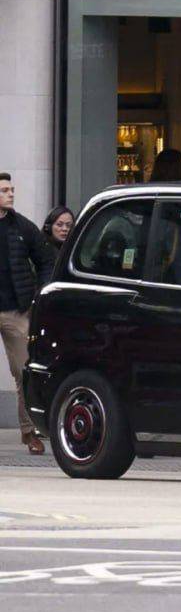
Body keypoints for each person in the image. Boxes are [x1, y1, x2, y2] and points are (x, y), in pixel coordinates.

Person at [0, 174, 57, 454]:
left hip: (16, 309)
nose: (11, 194)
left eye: (12, 189)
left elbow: (46, 259)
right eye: (4, 190)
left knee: (24, 371)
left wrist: (38, 294)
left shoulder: (22, 226)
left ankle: (28, 431)